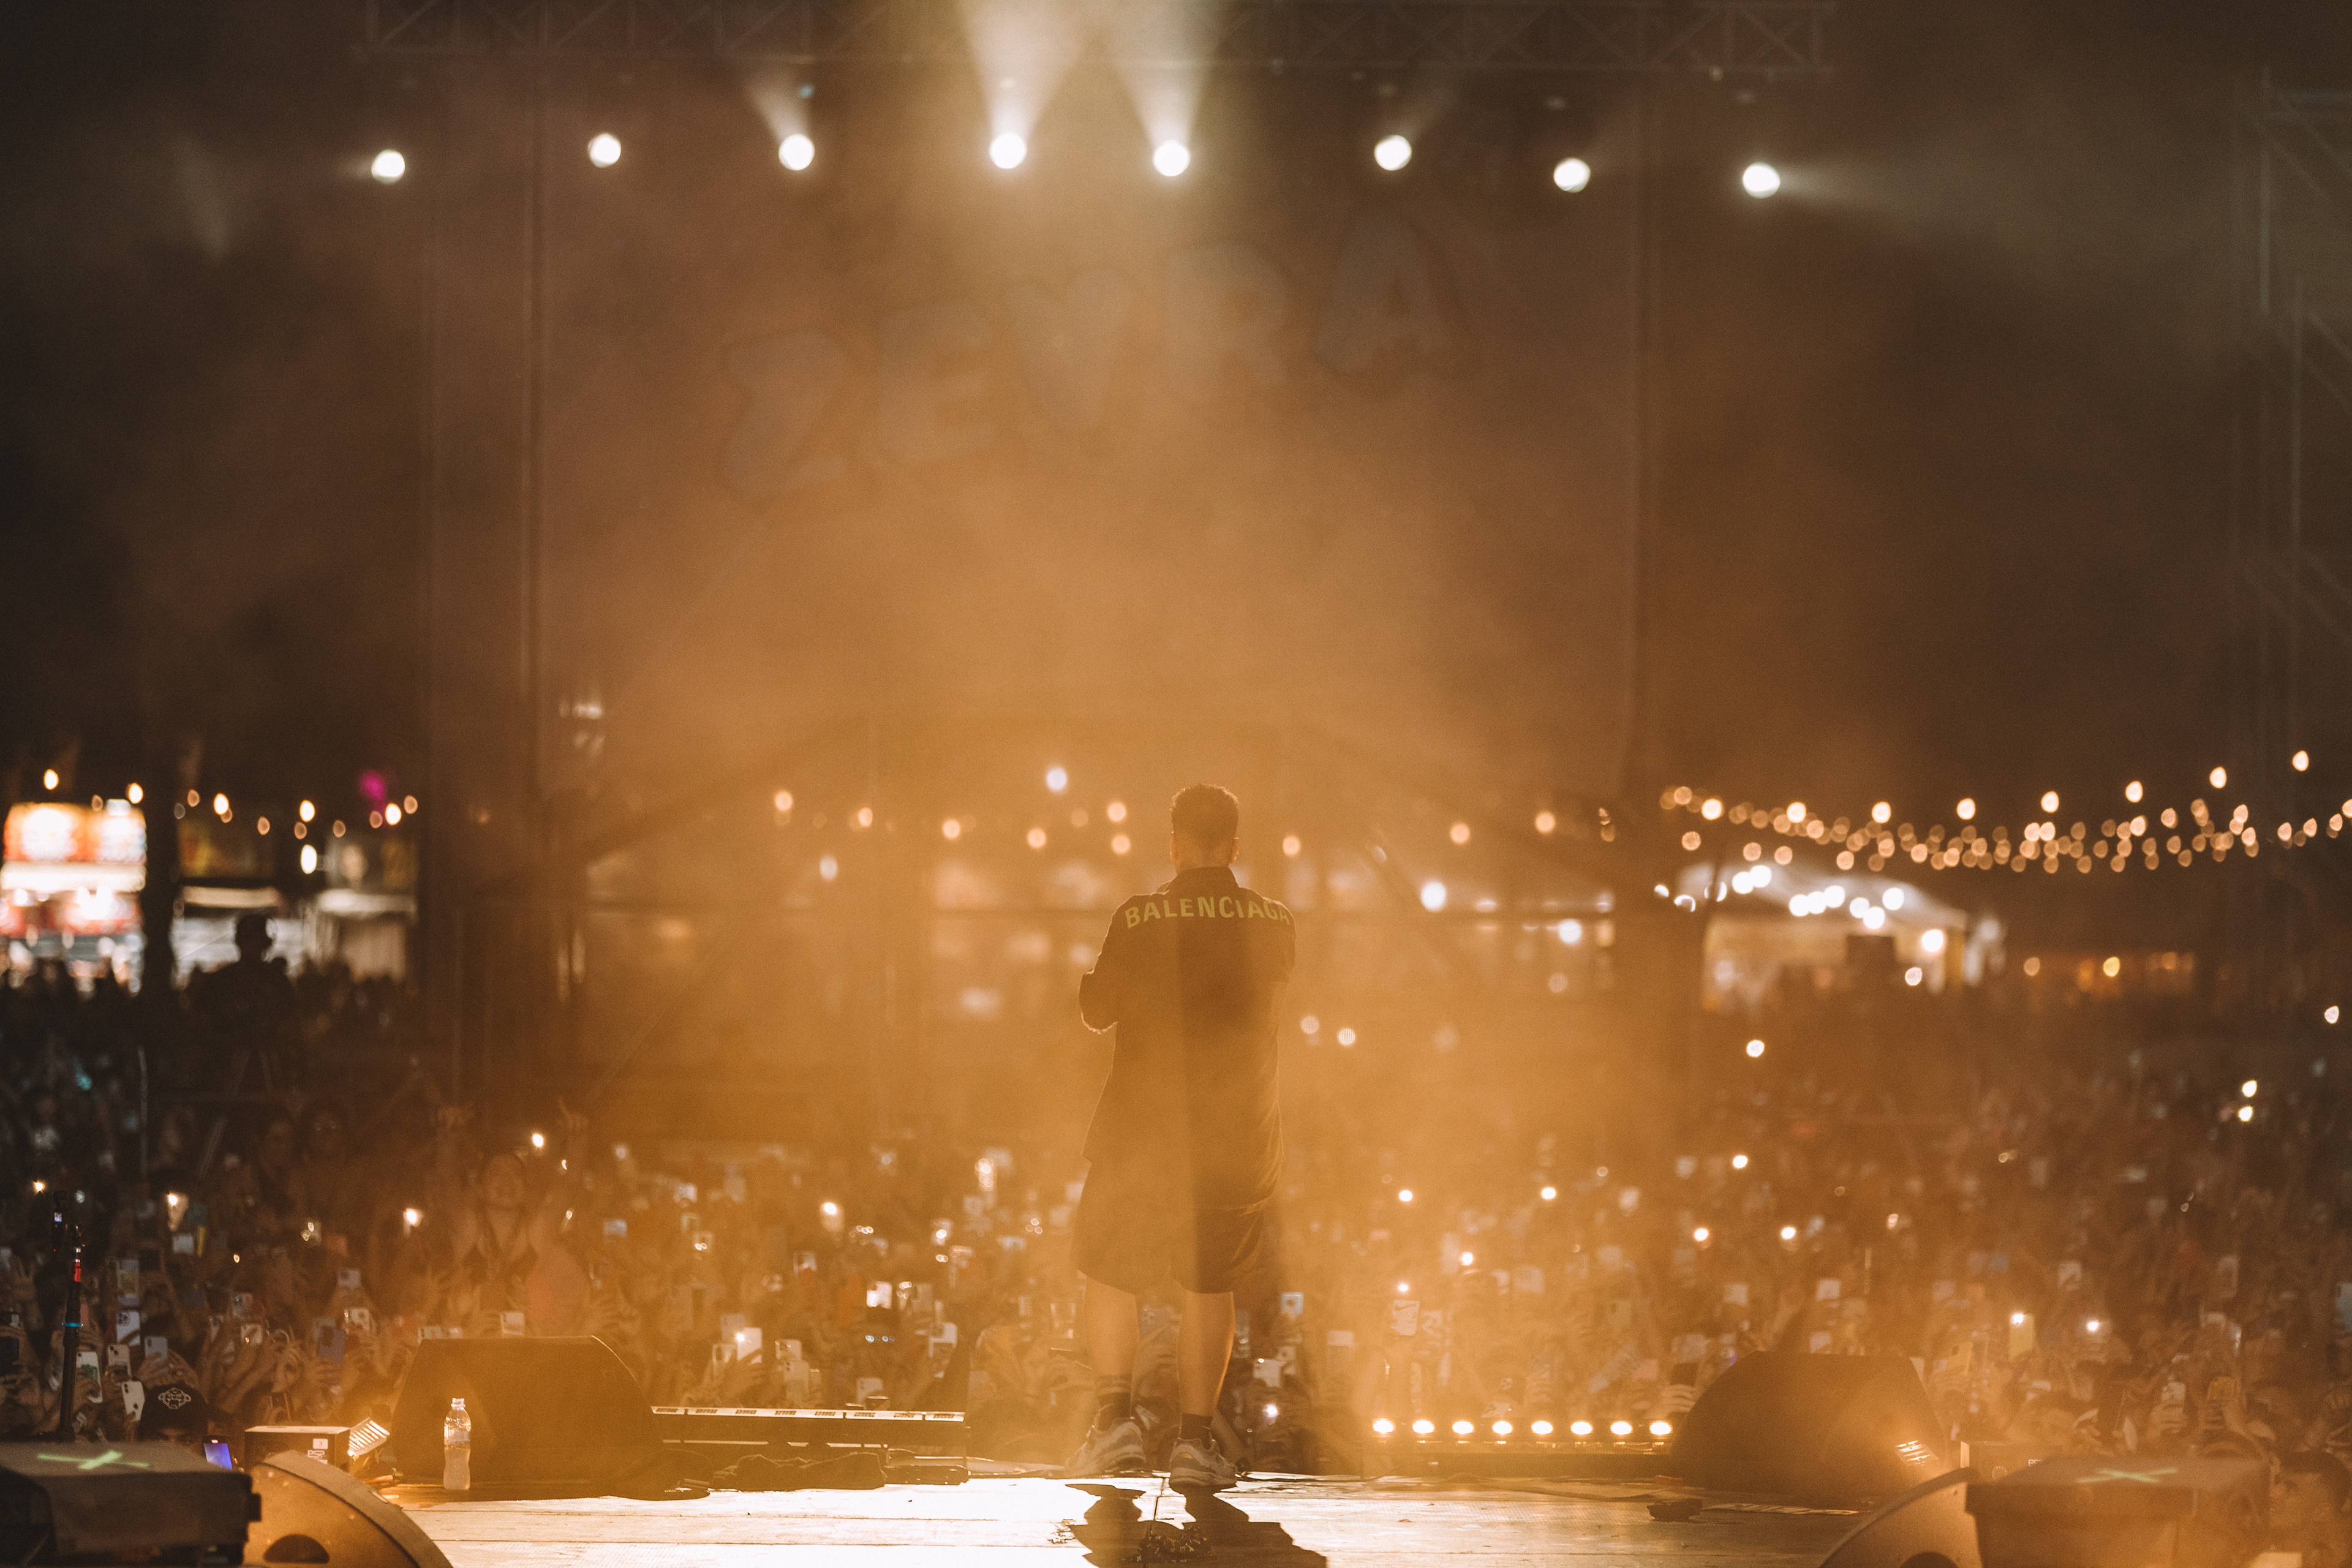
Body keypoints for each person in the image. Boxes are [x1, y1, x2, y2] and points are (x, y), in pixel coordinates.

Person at [1062, 784, 1295, 1490]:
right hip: (1235, 1142)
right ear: (1234, 846)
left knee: (1108, 1271)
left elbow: (1097, 1008)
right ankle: (1196, 1443)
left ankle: (1114, 1426)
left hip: (1143, 1140)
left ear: (1173, 845)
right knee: (1209, 1285)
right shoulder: (1274, 922)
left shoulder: (1140, 918)